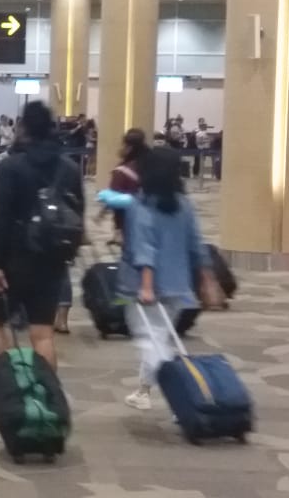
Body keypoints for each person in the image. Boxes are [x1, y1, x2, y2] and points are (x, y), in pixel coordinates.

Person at [109, 147, 221, 411]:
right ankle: (145, 390)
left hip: (144, 285)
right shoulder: (183, 204)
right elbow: (196, 244)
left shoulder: (142, 204)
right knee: (159, 337)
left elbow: (144, 247)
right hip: (178, 285)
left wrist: (146, 286)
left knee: (152, 341)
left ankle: (183, 393)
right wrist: (207, 279)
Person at [0, 101, 84, 369]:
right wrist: (68, 253)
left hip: (15, 256)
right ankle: (49, 392)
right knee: (42, 333)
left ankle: (10, 378)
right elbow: (77, 213)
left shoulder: (12, 167)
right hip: (53, 257)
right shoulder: (69, 168)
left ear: (24, 127)